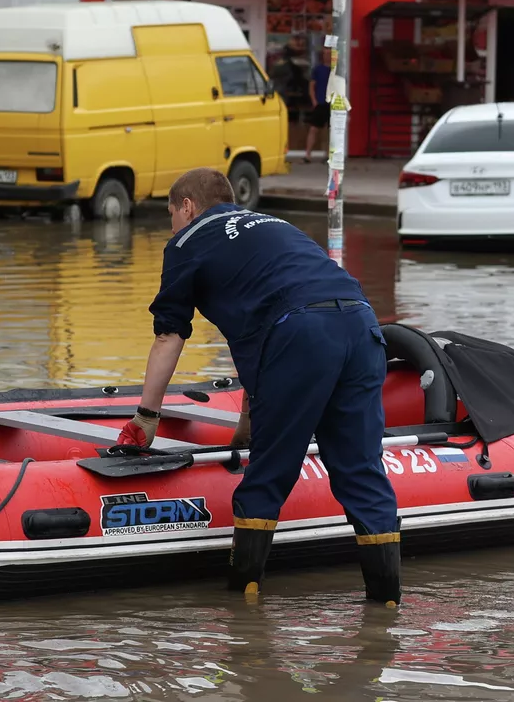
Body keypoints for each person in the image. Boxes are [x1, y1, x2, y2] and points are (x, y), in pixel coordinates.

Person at [117, 168, 401, 605]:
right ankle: (386, 607)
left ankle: (244, 616)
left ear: (187, 207)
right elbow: (261, 329)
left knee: (267, 476)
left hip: (302, 335)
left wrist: (146, 417)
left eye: (171, 214)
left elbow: (168, 334)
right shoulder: (275, 227)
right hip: (362, 328)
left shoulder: (188, 242)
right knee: (361, 472)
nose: (172, 225)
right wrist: (249, 420)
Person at [304, 47, 332, 163]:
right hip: (320, 102)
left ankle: (328, 155)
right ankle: (308, 154)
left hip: (332, 103)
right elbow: (311, 86)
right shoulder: (317, 69)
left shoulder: (336, 70)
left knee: (329, 131)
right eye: (325, 54)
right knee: (314, 129)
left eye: (329, 54)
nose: (327, 56)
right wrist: (314, 101)